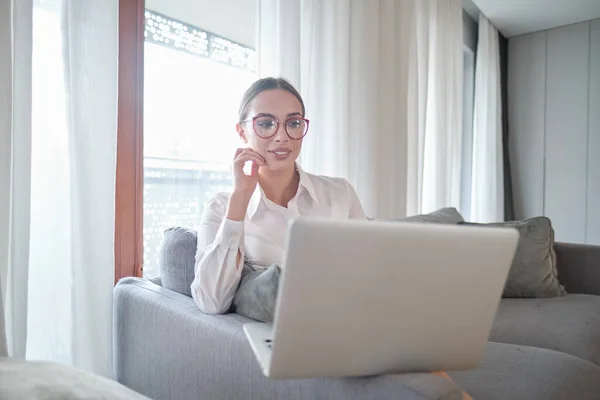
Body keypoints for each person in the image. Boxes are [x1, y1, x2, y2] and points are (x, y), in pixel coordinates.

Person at [191, 77, 367, 316]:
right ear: (242, 132)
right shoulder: (221, 208)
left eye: (293, 123)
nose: (282, 136)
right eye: (265, 124)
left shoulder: (340, 193)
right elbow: (211, 301)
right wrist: (240, 198)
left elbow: (370, 274)